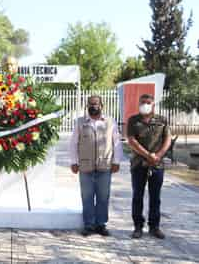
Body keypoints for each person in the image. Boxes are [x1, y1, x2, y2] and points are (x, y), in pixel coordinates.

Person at [70, 95, 123, 237]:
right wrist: (74, 162)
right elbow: (73, 143)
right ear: (87, 106)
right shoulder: (80, 122)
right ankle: (88, 225)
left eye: (96, 104)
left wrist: (116, 161)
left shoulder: (110, 122)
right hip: (85, 167)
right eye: (90, 104)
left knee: (103, 196)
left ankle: (101, 224)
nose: (93, 106)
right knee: (87, 197)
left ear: (102, 105)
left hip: (104, 166)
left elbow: (116, 143)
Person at [127, 94, 171, 239]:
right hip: (138, 164)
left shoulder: (162, 120)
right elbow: (132, 141)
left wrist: (158, 155)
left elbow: (167, 139)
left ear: (153, 104)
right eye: (142, 102)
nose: (145, 104)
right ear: (139, 103)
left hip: (157, 165)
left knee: (155, 196)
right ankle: (138, 227)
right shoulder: (133, 120)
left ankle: (154, 227)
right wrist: (148, 155)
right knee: (137, 196)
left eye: (148, 102)